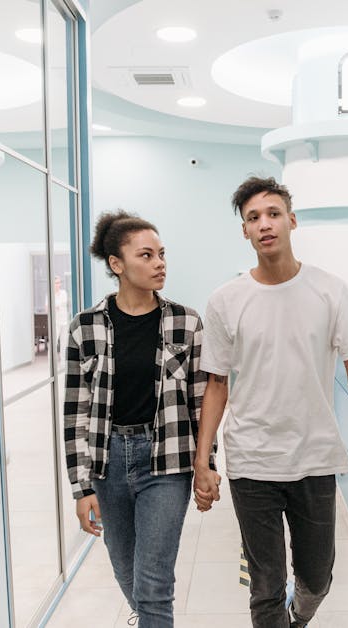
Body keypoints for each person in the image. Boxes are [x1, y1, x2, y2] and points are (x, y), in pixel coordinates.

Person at [192, 177, 348, 628]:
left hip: (315, 457)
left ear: (291, 221)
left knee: (317, 578)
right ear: (244, 231)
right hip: (252, 459)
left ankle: (297, 617)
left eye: (273, 214)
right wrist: (204, 460)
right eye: (253, 218)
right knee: (265, 586)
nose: (265, 224)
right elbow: (217, 384)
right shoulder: (225, 300)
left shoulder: (330, 290)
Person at [64, 210, 213, 628]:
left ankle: (151, 615)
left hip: (167, 461)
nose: (159, 263)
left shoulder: (186, 322)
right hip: (108, 462)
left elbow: (201, 402)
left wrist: (206, 464)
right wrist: (81, 488)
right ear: (117, 264)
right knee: (126, 571)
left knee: (153, 583)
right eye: (146, 255)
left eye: (161, 254)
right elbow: (75, 413)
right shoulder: (84, 327)